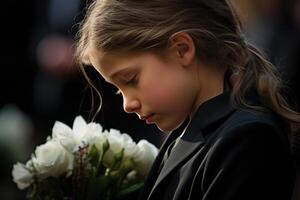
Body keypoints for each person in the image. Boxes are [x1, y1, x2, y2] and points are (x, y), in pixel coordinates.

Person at [75, 0, 300, 199]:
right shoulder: (185, 133)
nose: (127, 104)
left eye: (131, 79)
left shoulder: (247, 139)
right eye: (118, 90)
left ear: (182, 49)